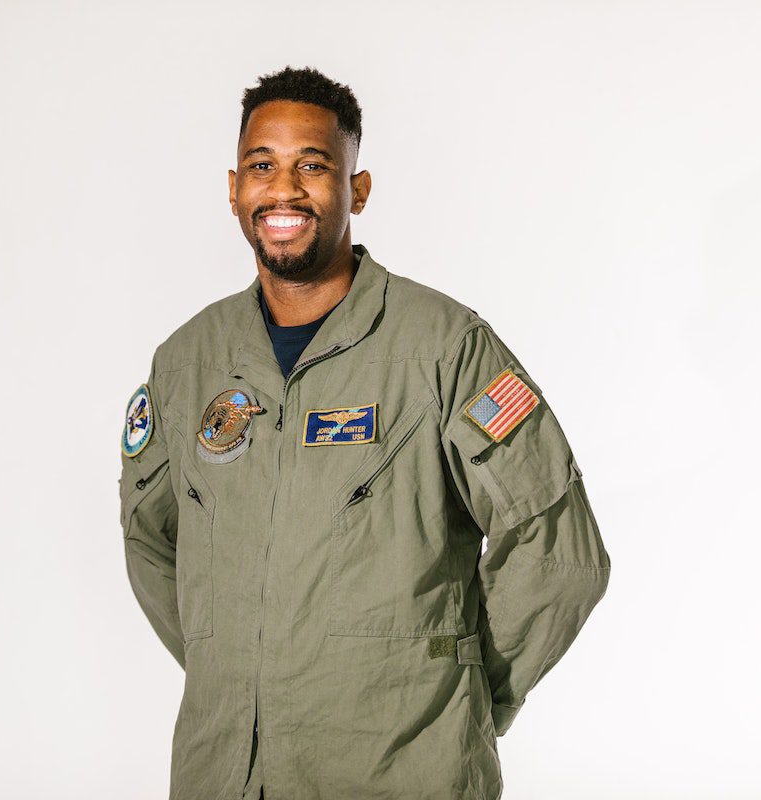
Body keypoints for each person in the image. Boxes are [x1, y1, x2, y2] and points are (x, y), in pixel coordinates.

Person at [119, 65, 611, 800]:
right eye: (262, 166)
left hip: (401, 773)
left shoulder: (446, 347)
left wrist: (468, 696)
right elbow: (150, 542)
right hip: (221, 774)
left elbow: (559, 554)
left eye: (313, 166)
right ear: (233, 189)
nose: (283, 188)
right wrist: (246, 673)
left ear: (358, 189)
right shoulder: (186, 362)